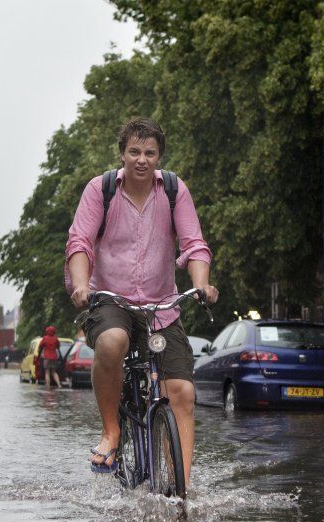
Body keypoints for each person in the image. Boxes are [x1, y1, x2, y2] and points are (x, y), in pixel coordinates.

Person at [65, 117, 219, 486]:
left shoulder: (173, 190)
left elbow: (194, 243)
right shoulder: (99, 189)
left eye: (150, 152)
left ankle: (180, 490)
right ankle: (112, 432)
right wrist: (82, 286)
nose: (141, 159)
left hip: (160, 306)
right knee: (113, 341)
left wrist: (201, 285)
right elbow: (80, 242)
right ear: (122, 153)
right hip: (110, 299)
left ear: (159, 157)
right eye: (134, 151)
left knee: (181, 392)